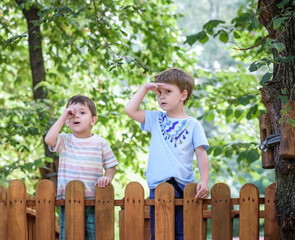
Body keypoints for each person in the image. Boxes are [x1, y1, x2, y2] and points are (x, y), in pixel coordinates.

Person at [125, 67, 209, 240]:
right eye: (159, 93)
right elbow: (130, 110)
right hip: (158, 186)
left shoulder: (193, 124)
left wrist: (205, 181)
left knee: (182, 234)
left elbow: (201, 154)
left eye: (168, 92)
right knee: (160, 233)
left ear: (183, 95)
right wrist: (145, 88)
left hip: (184, 186)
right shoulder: (155, 119)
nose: (161, 96)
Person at [45, 94, 118, 240]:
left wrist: (107, 178)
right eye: (72, 113)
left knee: (94, 236)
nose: (76, 116)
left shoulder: (100, 143)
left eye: (82, 112)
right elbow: (49, 139)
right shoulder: (64, 140)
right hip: (68, 200)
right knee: (70, 236)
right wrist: (63, 116)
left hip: (93, 200)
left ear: (93, 120)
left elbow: (111, 166)